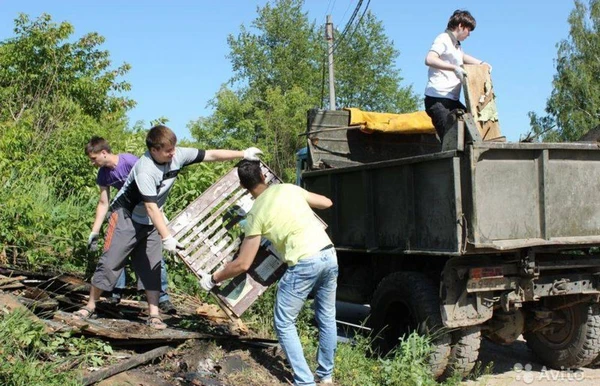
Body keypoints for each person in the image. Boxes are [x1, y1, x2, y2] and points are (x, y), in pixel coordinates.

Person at [74, 125, 263, 329]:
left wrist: (244, 153)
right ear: (154, 150)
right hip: (126, 216)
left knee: (152, 265)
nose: (173, 153)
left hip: (151, 219)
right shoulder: (145, 169)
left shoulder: (177, 154)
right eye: (168, 150)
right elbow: (151, 206)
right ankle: (90, 305)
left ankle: (154, 314)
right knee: (111, 261)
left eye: (173, 148)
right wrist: (167, 238)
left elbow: (210, 154)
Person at [200, 160, 338, 385]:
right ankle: (326, 376)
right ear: (263, 176)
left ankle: (304, 381)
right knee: (327, 316)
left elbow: (243, 264)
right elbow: (326, 202)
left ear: (244, 186)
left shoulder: (256, 214)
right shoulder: (289, 189)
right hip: (328, 253)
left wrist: (212, 278)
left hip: (304, 262)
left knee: (284, 322)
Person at [85, 137, 176, 314]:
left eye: (94, 158)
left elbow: (153, 182)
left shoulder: (129, 162)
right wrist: (94, 231)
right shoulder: (103, 174)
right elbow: (104, 203)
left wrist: (159, 213)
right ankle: (115, 293)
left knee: (154, 258)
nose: (93, 163)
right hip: (126, 214)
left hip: (148, 211)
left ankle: (163, 299)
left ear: (104, 153)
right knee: (116, 253)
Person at [424, 9, 491, 145]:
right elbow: (429, 59)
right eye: (469, 30)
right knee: (451, 141)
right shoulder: (443, 39)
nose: (469, 34)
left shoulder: (456, 45)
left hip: (452, 101)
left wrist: (482, 64)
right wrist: (454, 68)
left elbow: (462, 57)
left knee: (472, 133)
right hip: (438, 101)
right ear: (460, 26)